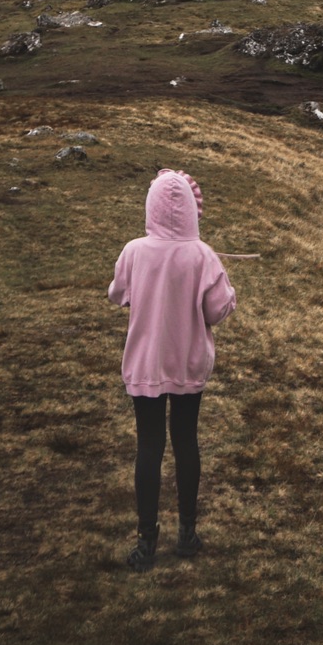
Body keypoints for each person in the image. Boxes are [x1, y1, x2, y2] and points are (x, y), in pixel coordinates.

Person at [108, 168, 237, 570]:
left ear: (152, 207)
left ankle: (146, 543)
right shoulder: (203, 255)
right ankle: (187, 535)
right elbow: (219, 309)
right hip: (187, 364)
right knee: (185, 442)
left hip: (146, 364)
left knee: (149, 446)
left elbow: (117, 295)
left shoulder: (134, 251)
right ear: (191, 212)